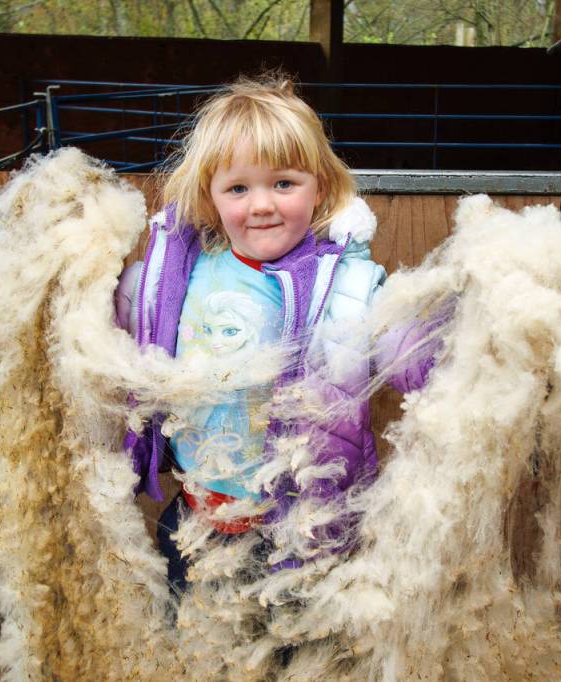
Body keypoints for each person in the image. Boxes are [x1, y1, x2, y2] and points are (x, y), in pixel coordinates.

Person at [114, 75, 434, 594]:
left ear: (320, 188)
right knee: (197, 652)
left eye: (283, 183)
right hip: (197, 518)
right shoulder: (172, 277)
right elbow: (111, 323)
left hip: (298, 531)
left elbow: (411, 351)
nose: (261, 204)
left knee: (295, 659)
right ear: (210, 196)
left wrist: (473, 357)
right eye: (238, 188)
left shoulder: (350, 286)